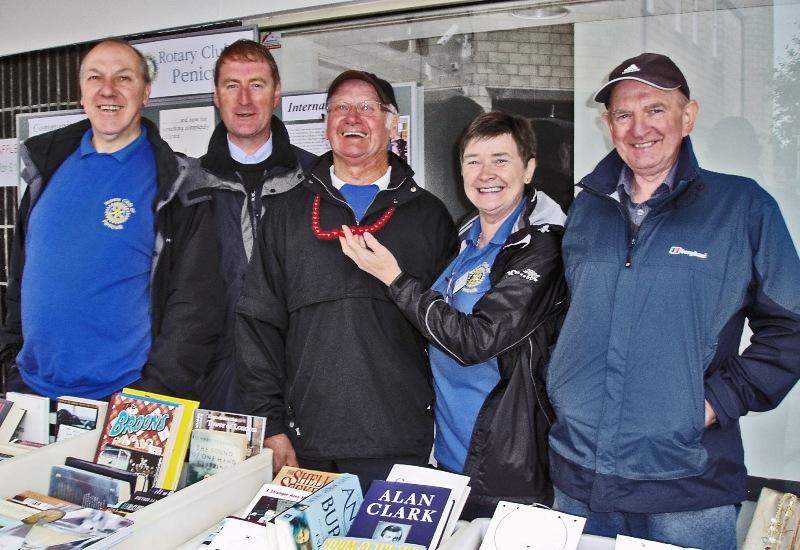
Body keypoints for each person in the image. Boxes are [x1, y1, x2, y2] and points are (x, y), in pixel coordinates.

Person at [547, 52, 800, 549]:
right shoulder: (586, 211)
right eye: (623, 114)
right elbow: (572, 319)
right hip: (579, 474)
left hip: (686, 482)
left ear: (689, 116)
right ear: (608, 125)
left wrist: (714, 403)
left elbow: (792, 327)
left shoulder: (742, 207)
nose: (639, 127)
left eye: (656, 109)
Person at [236, 70, 457, 489]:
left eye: (367, 108)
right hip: (307, 443)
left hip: (400, 439)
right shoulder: (286, 213)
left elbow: (448, 330)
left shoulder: (429, 217)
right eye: (340, 107)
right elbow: (258, 324)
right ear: (326, 123)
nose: (352, 117)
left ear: (393, 123)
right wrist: (271, 424)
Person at [341, 111, 567, 518]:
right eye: (473, 161)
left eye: (501, 159)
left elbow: (475, 341)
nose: (486, 174)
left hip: (504, 466)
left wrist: (393, 278)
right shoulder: (464, 235)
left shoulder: (543, 246)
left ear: (529, 169)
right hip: (443, 457)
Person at [0, 38, 222, 399]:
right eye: (95, 77)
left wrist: (153, 391)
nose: (108, 90)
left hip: (124, 399)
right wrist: (12, 363)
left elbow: (197, 307)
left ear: (146, 93)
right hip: (31, 392)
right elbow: (20, 278)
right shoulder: (45, 171)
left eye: (124, 78)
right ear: (81, 92)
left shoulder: (178, 184)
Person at [197, 39, 316, 411]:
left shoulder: (316, 179)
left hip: (302, 381)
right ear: (216, 96)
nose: (244, 100)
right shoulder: (187, 187)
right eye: (232, 85)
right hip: (214, 384)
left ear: (277, 93)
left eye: (257, 85)